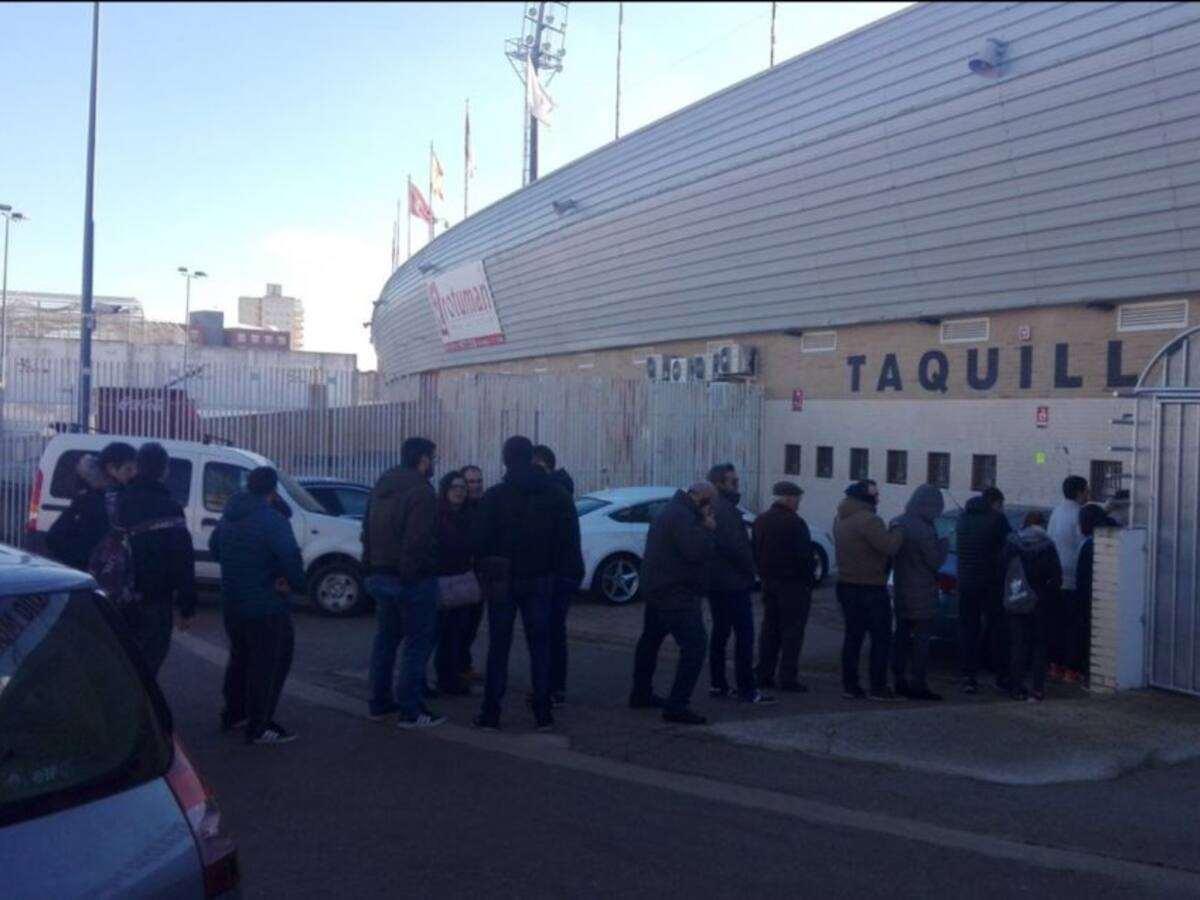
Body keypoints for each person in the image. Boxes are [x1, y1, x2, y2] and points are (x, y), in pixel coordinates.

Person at [472, 436, 579, 732]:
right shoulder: (556, 495)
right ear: (532, 458)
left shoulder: (495, 497)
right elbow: (568, 539)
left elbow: (479, 542)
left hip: (503, 578)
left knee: (499, 646)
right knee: (541, 646)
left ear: (506, 460)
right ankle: (543, 712)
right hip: (542, 578)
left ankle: (491, 712)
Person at [208, 467, 306, 744]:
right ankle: (260, 725)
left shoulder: (229, 515)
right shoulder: (272, 520)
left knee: (240, 658)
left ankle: (234, 713)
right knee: (269, 664)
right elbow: (290, 557)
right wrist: (295, 583)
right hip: (266, 604)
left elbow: (215, 548)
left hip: (233, 601)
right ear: (273, 491)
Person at [363, 437, 444, 728]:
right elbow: (418, 539)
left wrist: (370, 567)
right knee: (416, 644)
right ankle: (411, 710)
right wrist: (410, 575)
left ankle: (379, 702)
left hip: (379, 574)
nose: (434, 463)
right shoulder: (422, 492)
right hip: (411, 579)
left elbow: (366, 531)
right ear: (423, 459)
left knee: (385, 640)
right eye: (433, 458)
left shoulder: (381, 486)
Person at [630, 481, 718, 725]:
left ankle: (641, 692)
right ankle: (677, 704)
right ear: (702, 500)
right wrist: (709, 528)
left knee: (650, 640)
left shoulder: (670, 510)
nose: (712, 511)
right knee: (695, 645)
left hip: (657, 587)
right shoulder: (683, 517)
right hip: (675, 592)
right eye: (710, 505)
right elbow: (696, 552)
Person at [117, 442, 197, 676]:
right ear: (165, 470)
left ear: (137, 467)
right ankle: (139, 710)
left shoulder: (116, 501)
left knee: (120, 661)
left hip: (114, 597)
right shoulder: (169, 508)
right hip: (154, 600)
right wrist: (187, 607)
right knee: (148, 666)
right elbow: (182, 560)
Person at [706, 463, 773, 705]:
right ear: (718, 484)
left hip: (717, 582)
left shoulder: (713, 508)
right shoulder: (727, 511)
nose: (737, 486)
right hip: (733, 582)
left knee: (720, 634)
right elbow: (737, 548)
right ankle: (746, 687)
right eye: (732, 482)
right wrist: (752, 570)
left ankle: (718, 683)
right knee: (744, 635)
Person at [833, 480, 905, 701]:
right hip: (870, 587)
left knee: (853, 637)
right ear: (866, 498)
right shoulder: (869, 520)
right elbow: (890, 546)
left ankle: (850, 685)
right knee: (880, 638)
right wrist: (899, 530)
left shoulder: (840, 517)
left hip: (846, 584)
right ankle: (878, 687)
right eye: (875, 495)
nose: (878, 499)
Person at [752, 481, 816, 693]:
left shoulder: (761, 521)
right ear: (789, 499)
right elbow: (805, 557)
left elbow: (756, 551)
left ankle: (764, 673)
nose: (798, 504)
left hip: (768, 581)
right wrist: (808, 581)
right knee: (792, 632)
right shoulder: (795, 523)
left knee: (770, 628)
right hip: (793, 584)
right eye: (797, 499)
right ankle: (787, 677)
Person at [533, 444, 583, 706]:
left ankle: (552, 688)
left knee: (550, 630)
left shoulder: (553, 492)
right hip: (563, 571)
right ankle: (553, 686)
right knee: (553, 629)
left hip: (557, 572)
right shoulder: (560, 489)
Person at [889, 484, 950, 701]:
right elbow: (934, 561)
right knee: (921, 643)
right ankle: (919, 685)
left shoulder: (898, 521)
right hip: (923, 593)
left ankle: (899, 680)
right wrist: (944, 543)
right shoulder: (925, 531)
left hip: (902, 588)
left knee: (901, 639)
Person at [954, 486, 1013, 694]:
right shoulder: (997, 520)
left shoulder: (962, 518)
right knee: (998, 628)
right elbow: (1010, 546)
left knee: (968, 629)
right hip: (990, 583)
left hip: (965, 582)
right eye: (1001, 505)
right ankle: (1001, 674)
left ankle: (969, 676)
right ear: (995, 503)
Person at [46, 442, 138, 572]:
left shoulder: (122, 496)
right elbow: (55, 537)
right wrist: (88, 563)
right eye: (128, 469)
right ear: (111, 468)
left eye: (136, 470)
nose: (133, 474)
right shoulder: (91, 499)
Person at [1005, 511, 1063, 702]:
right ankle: (1037, 688)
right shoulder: (1048, 546)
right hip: (1041, 602)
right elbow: (1057, 577)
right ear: (1043, 525)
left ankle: (1016, 687)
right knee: (1040, 645)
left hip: (1016, 598)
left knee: (1018, 644)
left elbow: (1000, 571)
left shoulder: (1012, 544)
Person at [433, 471, 476, 696]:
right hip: (441, 581)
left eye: (462, 487)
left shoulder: (467, 516)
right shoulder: (438, 516)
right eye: (454, 487)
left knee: (455, 635)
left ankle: (449, 679)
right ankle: (439, 680)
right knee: (437, 635)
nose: (459, 491)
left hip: (462, 582)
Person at [1048, 475, 1089, 684]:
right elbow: (1084, 543)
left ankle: (1055, 665)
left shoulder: (1056, 512)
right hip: (1073, 579)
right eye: (1086, 490)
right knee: (1074, 626)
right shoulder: (1079, 514)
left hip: (1055, 578)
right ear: (1080, 492)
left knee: (1057, 624)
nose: (1088, 494)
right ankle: (1071, 670)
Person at [1073, 503, 1117, 689]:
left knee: (1088, 638)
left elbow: (1082, 576)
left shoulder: (1088, 545)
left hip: (1089, 598)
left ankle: (1089, 675)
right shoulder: (1110, 539)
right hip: (1104, 597)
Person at [459, 465, 487, 682]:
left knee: (471, 626)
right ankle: (454, 671)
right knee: (457, 627)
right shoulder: (456, 510)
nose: (475, 486)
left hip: (480, 577)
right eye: (471, 482)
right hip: (460, 578)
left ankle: (463, 665)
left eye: (478, 481)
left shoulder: (486, 506)